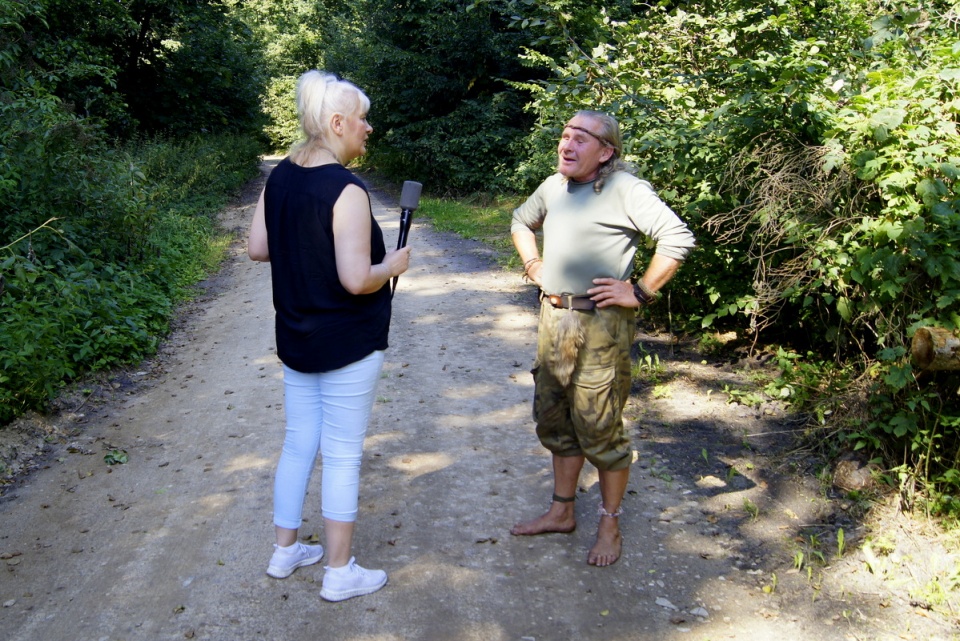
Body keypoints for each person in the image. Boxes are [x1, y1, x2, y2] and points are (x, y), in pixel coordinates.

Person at [248, 70, 411, 601]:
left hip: (296, 336)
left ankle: (285, 550)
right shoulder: (346, 189)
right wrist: (392, 264)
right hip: (347, 341)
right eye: (361, 118)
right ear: (337, 123)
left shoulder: (279, 177)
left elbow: (257, 248)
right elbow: (357, 279)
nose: (368, 127)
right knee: (342, 453)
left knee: (299, 443)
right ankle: (340, 572)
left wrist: (303, 240)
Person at [509, 110, 695, 566]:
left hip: (601, 326)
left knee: (598, 425)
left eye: (580, 139)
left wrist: (641, 291)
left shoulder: (625, 189)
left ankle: (609, 525)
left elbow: (677, 237)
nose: (566, 145)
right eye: (564, 135)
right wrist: (534, 266)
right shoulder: (554, 186)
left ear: (606, 151)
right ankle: (561, 512)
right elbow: (520, 220)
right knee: (555, 421)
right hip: (553, 319)